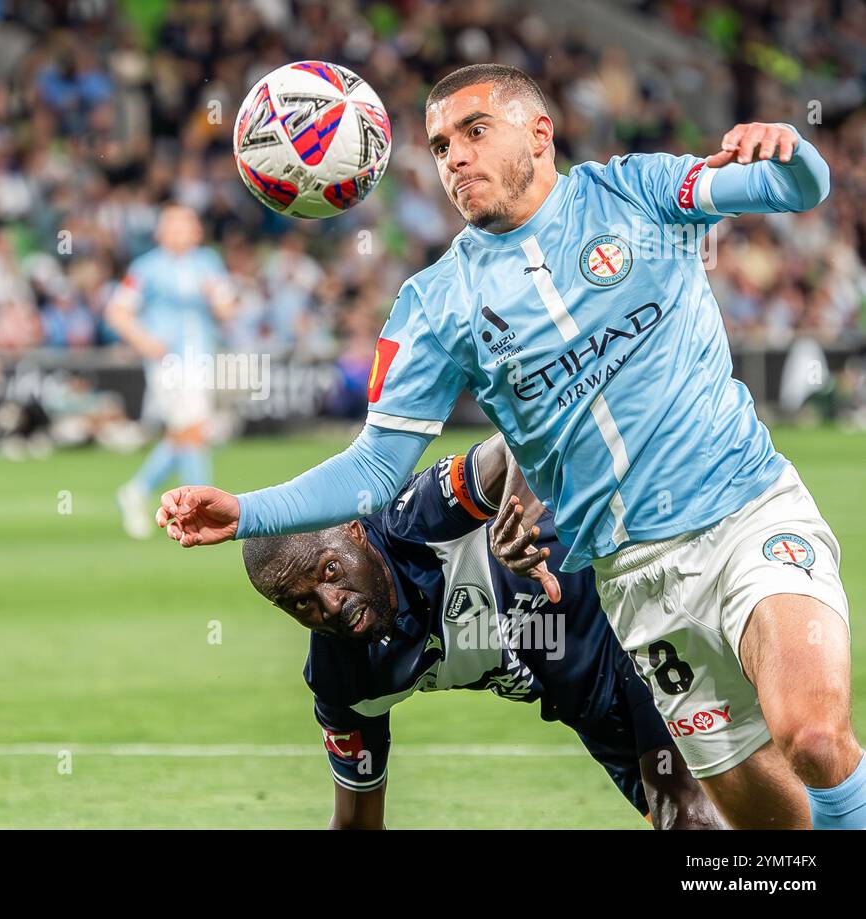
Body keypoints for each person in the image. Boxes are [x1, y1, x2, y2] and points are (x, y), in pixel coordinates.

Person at [158, 64, 862, 830]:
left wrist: (786, 147)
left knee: (816, 738)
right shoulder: (435, 304)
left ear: (539, 132)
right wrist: (246, 510)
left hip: (745, 511)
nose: (454, 156)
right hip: (636, 581)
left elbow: (798, 190)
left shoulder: (639, 191)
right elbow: (373, 469)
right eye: (438, 145)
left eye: (473, 130)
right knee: (773, 839)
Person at [244, 434, 720, 829]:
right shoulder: (342, 680)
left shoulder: (419, 516)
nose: (330, 605)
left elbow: (520, 442)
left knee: (690, 810)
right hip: (585, 696)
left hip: (629, 604)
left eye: (329, 572)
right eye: (300, 603)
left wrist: (517, 521)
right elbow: (355, 823)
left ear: (353, 529)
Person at [106, 205, 234, 539]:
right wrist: (145, 341)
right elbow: (118, 311)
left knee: (185, 433)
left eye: (187, 225)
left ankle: (136, 491)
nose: (182, 232)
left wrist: (217, 299)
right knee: (193, 430)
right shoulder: (147, 267)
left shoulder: (208, 263)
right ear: (161, 232)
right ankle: (201, 507)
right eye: (174, 226)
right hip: (170, 362)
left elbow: (227, 308)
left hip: (202, 357)